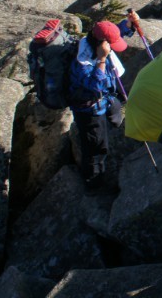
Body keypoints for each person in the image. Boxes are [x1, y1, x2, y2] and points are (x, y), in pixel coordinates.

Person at [68, 12, 140, 190]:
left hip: (105, 100)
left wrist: (129, 24)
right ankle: (94, 183)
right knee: (96, 148)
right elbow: (95, 86)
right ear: (102, 45)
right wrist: (102, 60)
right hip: (89, 110)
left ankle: (118, 135)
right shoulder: (81, 62)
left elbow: (116, 33)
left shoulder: (93, 40)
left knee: (116, 115)